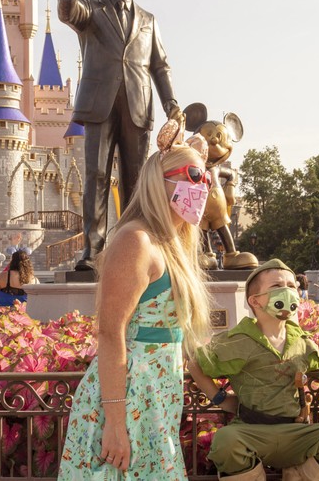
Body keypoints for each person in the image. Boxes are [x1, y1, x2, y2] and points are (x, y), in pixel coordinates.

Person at [58, 142, 214, 479]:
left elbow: (181, 337)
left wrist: (217, 395)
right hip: (130, 398)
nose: (203, 186)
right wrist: (115, 423)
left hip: (156, 398)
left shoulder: (172, 244)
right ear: (160, 180)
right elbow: (111, 331)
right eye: (195, 175)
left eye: (207, 179)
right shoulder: (136, 240)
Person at [58, 0, 183, 271]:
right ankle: (94, 249)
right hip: (99, 104)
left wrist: (171, 104)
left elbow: (160, 66)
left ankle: (133, 244)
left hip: (138, 106)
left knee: (137, 180)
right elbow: (70, 14)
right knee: (96, 175)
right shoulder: (91, 6)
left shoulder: (148, 20)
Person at [189, 259, 319, 480]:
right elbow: (196, 364)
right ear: (255, 301)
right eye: (277, 286)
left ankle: (297, 475)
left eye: (292, 286)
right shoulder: (238, 340)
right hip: (251, 430)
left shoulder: (301, 341)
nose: (287, 291)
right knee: (226, 442)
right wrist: (221, 399)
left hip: (295, 432)